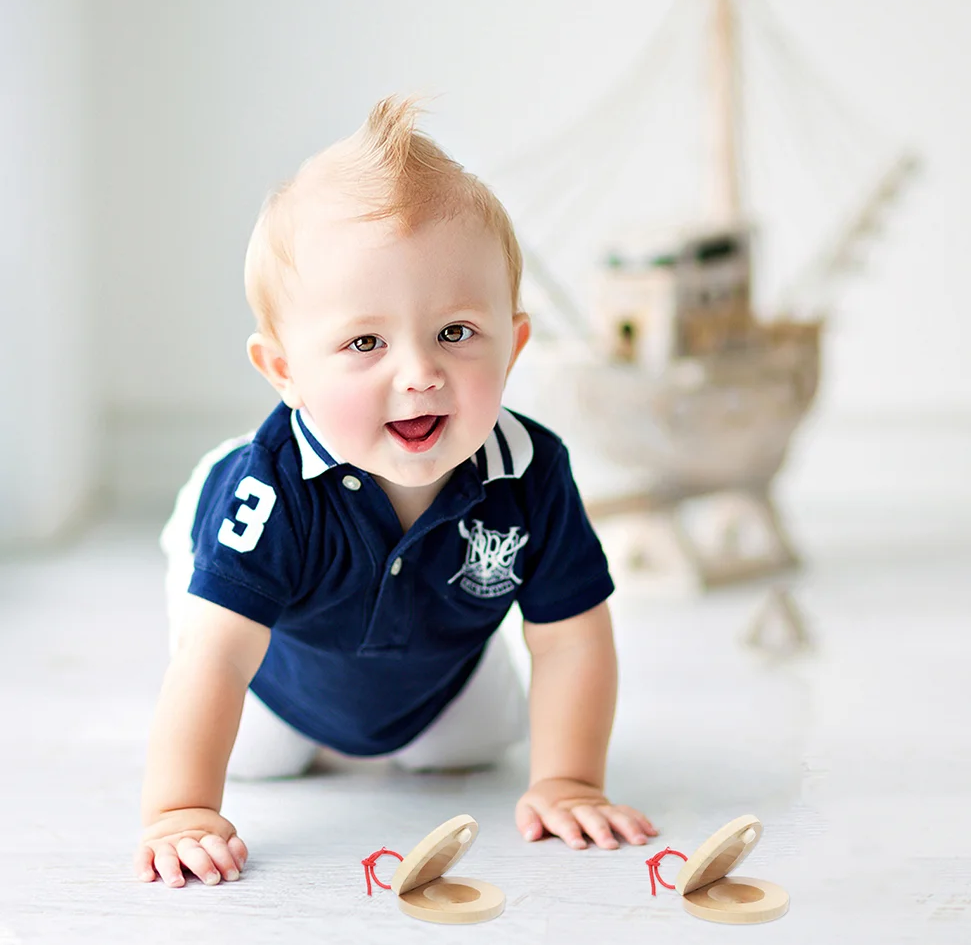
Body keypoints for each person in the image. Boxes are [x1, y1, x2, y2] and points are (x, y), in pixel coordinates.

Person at [135, 97, 657, 889]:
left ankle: (425, 710)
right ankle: (197, 554)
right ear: (285, 372)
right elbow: (216, 659)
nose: (419, 374)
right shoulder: (272, 493)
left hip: (434, 664)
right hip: (277, 668)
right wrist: (178, 810)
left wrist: (569, 780)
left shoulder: (531, 470)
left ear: (513, 346)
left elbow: (570, 637)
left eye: (455, 332)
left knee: (469, 748)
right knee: (261, 761)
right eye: (365, 342)